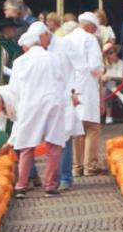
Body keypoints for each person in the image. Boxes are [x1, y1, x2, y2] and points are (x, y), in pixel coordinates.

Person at [7, 22, 76, 196]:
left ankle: (22, 185)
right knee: (54, 144)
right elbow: (62, 80)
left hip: (30, 104)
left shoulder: (20, 61)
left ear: (25, 46)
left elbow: (14, 88)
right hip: (53, 101)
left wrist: (18, 108)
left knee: (26, 144)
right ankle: (50, 185)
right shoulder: (53, 57)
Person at [58, 13, 105, 175]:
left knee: (75, 129)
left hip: (69, 87)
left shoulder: (65, 40)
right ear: (90, 26)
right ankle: (90, 165)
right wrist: (101, 72)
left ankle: (76, 166)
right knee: (92, 127)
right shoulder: (89, 39)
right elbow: (95, 66)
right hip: (86, 87)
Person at [100, 41, 123, 123]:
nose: (113, 54)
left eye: (114, 52)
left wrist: (111, 77)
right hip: (102, 85)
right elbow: (99, 76)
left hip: (117, 85)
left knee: (107, 89)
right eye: (110, 53)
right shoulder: (103, 64)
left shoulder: (121, 63)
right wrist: (104, 78)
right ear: (106, 55)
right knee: (105, 88)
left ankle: (108, 116)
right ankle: (120, 96)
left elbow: (121, 78)